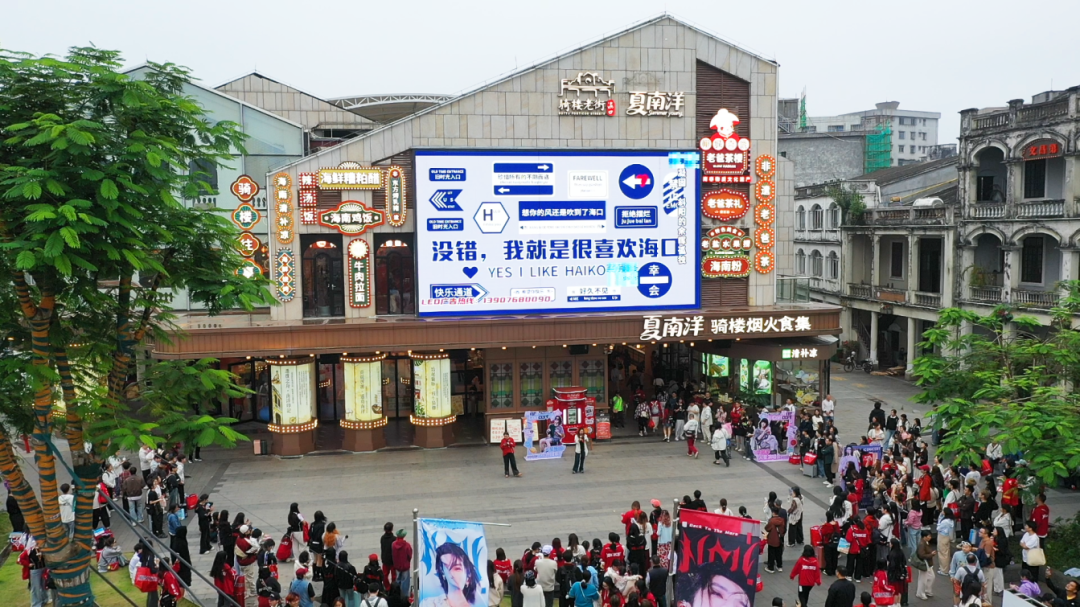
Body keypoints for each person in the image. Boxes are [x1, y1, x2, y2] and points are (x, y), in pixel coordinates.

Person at [421, 542, 483, 607]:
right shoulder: (430, 603)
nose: (451, 573)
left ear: (468, 574)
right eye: (447, 567)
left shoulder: (478, 603)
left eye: (457, 568)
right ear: (442, 571)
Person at [914, 530, 936, 601]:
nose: (930, 537)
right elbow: (921, 555)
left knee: (931, 577)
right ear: (924, 537)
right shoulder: (922, 544)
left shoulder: (925, 542)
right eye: (929, 536)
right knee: (923, 579)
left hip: (927, 564)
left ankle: (927, 590)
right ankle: (920, 593)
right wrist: (931, 554)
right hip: (924, 563)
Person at [764, 507, 786, 573]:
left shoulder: (772, 521)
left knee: (771, 554)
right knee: (778, 553)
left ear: (773, 513)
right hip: (779, 539)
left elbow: (767, 528)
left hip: (772, 539)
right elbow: (784, 529)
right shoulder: (782, 520)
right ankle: (779, 566)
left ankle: (771, 568)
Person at [393, 528, 413, 597]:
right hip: (405, 565)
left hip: (397, 565)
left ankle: (397, 594)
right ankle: (404, 596)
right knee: (405, 581)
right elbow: (410, 555)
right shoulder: (407, 545)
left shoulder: (393, 544)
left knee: (398, 579)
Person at [937, 509, 956, 576]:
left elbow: (938, 528)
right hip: (947, 537)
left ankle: (944, 570)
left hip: (942, 536)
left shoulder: (945, 521)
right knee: (946, 553)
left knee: (942, 553)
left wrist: (939, 519)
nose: (942, 512)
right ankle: (945, 568)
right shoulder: (951, 520)